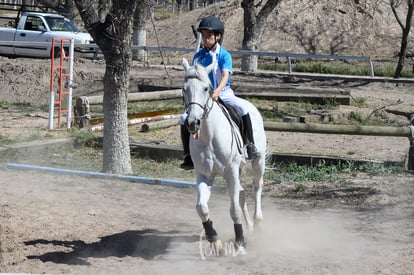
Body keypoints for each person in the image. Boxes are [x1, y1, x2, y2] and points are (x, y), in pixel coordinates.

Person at [180, 15, 260, 170]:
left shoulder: (224, 55)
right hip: (203, 97)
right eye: (203, 36)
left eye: (209, 36)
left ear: (218, 36)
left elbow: (225, 76)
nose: (205, 39)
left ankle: (249, 145)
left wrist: (217, 91)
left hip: (223, 93)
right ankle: (188, 155)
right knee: (184, 118)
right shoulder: (198, 56)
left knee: (243, 109)